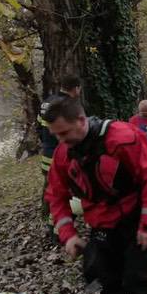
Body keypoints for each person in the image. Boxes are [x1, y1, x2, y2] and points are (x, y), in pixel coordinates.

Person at [43, 96, 147, 294]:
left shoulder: (122, 138)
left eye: (64, 132)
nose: (61, 140)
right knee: (108, 283)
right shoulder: (64, 154)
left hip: (134, 220)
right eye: (56, 135)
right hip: (100, 226)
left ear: (81, 120)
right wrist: (68, 235)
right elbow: (56, 195)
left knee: (136, 280)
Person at [38, 74, 82, 231]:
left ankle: (53, 226)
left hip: (46, 155)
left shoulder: (47, 102)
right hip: (61, 159)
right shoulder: (67, 105)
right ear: (76, 88)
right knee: (65, 195)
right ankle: (57, 229)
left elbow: (39, 127)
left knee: (55, 194)